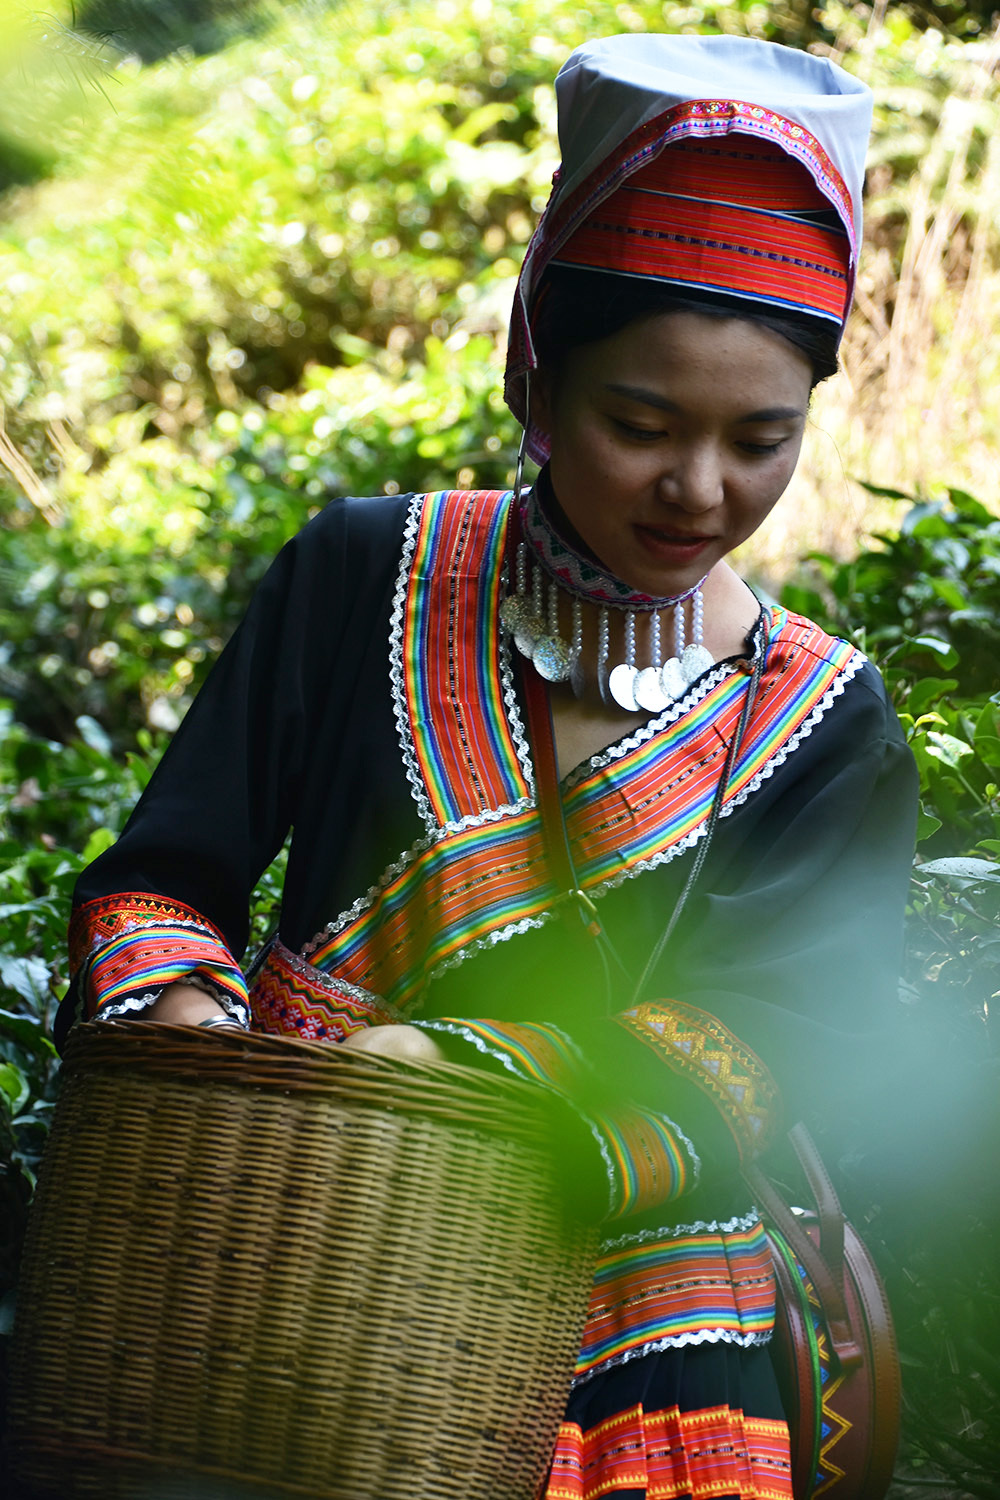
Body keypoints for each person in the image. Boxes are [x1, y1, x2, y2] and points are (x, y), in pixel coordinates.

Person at [57, 33, 918, 1500]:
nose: (701, 490)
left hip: (644, 1333)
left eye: (761, 439)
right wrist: (192, 1026)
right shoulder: (359, 576)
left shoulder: (830, 723)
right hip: (284, 1265)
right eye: (639, 424)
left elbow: (760, 1050)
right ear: (537, 370)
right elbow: (163, 874)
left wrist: (446, 1076)